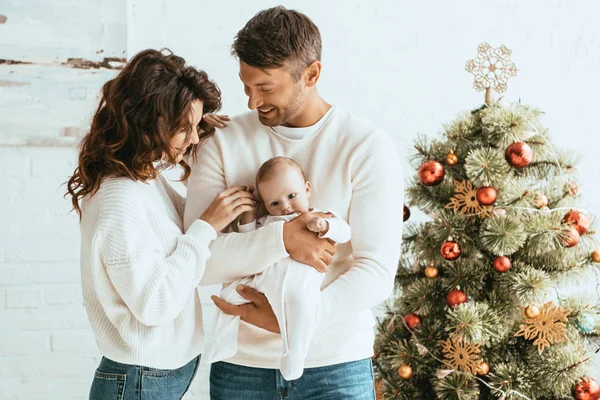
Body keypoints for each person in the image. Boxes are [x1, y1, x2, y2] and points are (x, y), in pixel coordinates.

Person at [184, 6, 403, 399]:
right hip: (241, 368)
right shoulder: (222, 143)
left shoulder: (366, 147)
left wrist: (296, 320)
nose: (252, 102)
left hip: (335, 366)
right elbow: (198, 261)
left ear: (312, 74)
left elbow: (376, 270)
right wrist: (282, 239)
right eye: (246, 86)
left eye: (266, 87)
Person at [65, 49, 256, 400]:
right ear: (147, 121)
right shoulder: (118, 196)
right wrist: (206, 226)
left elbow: (174, 231)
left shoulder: (141, 177)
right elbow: (154, 303)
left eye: (195, 126)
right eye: (183, 128)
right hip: (139, 381)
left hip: (152, 376)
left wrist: (197, 145)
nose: (194, 137)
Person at [203, 156, 351, 381]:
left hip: (299, 283)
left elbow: (345, 232)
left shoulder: (318, 216)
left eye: (292, 196)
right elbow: (248, 239)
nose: (285, 206)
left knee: (301, 308)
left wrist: (326, 227)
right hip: (263, 281)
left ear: (307, 189)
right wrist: (249, 214)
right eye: (274, 203)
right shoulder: (269, 222)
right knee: (229, 296)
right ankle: (221, 342)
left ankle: (294, 355)